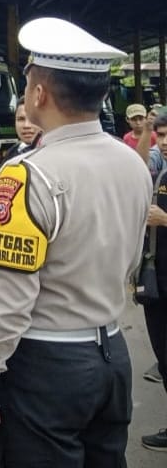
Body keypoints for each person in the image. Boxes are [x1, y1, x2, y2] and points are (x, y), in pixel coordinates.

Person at [0, 17, 151, 464]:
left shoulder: (28, 174)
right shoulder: (132, 163)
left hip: (48, 366)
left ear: (39, 93)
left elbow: (10, 299)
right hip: (112, 355)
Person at [136, 112, 167, 448]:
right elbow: (137, 165)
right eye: (160, 136)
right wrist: (144, 131)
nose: (164, 142)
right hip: (158, 282)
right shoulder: (162, 172)